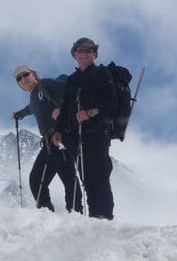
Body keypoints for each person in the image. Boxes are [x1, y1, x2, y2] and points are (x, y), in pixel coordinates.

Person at [57, 37, 116, 219]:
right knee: (86, 178)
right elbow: (66, 107)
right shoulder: (73, 80)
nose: (83, 54)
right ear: (74, 54)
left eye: (88, 50)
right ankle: (94, 218)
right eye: (79, 50)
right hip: (77, 136)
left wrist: (91, 112)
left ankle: (105, 217)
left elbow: (112, 103)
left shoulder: (102, 74)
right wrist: (58, 129)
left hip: (97, 133)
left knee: (99, 175)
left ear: (94, 54)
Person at [11, 64, 83, 213]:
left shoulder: (45, 84)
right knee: (36, 180)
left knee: (68, 180)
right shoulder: (33, 98)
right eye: (19, 78)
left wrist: (61, 108)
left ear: (34, 74)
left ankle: (76, 214)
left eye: (26, 74)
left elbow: (71, 90)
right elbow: (31, 108)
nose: (23, 79)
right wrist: (19, 114)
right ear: (19, 84)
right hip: (48, 144)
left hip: (62, 136)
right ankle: (47, 215)